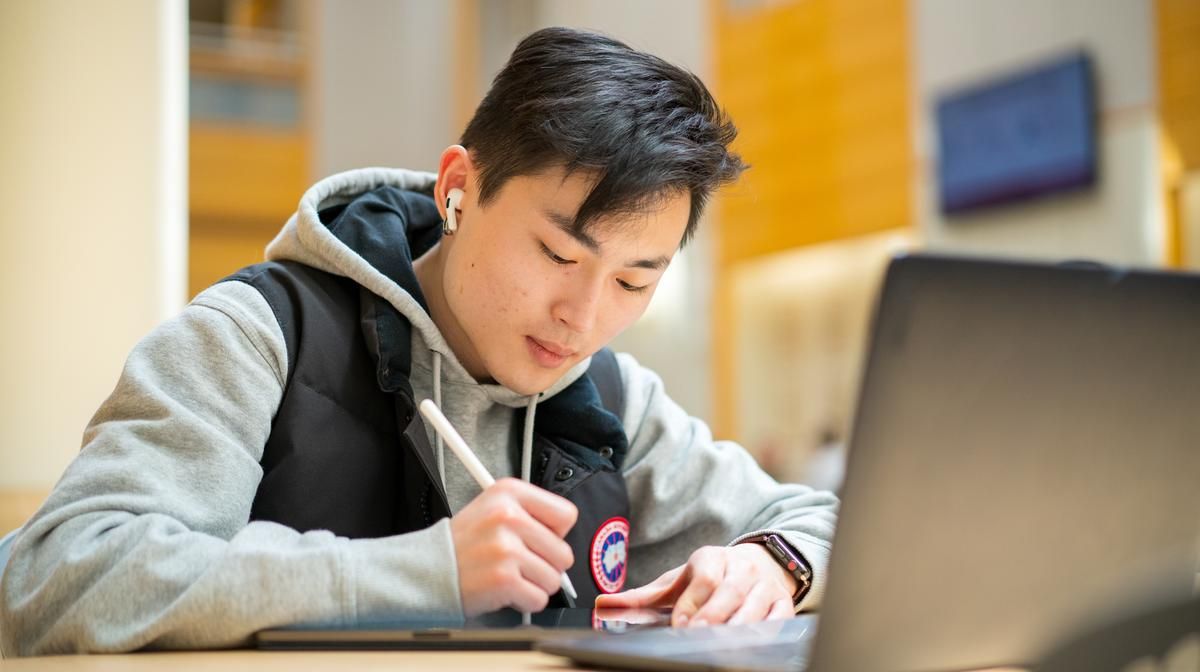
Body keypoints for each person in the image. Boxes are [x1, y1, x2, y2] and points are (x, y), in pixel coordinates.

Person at [0, 26, 837, 656]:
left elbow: (823, 520)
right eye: (555, 253)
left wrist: (773, 564)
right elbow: (57, 576)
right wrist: (424, 571)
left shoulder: (611, 397)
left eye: (633, 282)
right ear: (458, 189)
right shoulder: (259, 336)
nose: (581, 318)